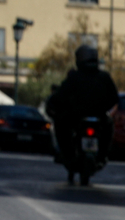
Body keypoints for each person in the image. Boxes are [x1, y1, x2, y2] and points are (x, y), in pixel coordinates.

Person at [47, 44, 119, 172]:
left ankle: (69, 155)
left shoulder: (74, 77)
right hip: (98, 115)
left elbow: (61, 95)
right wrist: (104, 108)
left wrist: (54, 105)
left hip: (76, 115)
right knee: (108, 126)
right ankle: (101, 156)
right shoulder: (104, 77)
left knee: (61, 125)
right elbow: (114, 97)